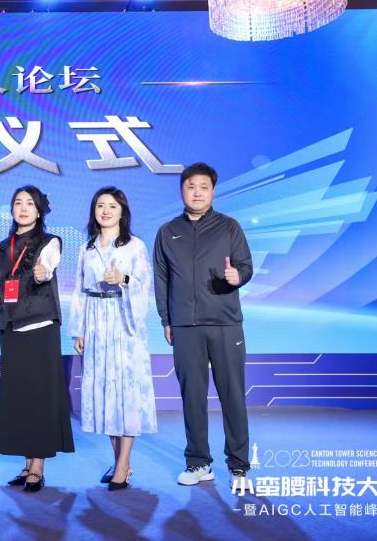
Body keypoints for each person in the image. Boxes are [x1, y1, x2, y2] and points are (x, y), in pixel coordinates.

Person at [153, 162, 254, 488]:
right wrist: (167, 319)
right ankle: (198, 463)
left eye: (204, 187)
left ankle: (239, 467)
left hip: (225, 323)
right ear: (181, 190)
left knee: (232, 396)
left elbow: (245, 266)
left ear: (213, 191)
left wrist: (237, 276)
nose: (197, 193)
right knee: (192, 397)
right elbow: (161, 280)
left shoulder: (229, 227)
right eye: (191, 186)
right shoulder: (167, 232)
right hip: (185, 326)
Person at [71, 186, 157, 491]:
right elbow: (79, 290)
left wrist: (124, 279)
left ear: (122, 212)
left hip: (124, 322)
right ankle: (119, 460)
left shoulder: (134, 246)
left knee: (125, 392)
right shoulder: (87, 248)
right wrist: (79, 329)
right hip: (96, 322)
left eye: (112, 206)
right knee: (106, 393)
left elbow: (145, 286)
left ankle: (123, 464)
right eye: (100, 206)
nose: (105, 211)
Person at [0, 185, 74, 492]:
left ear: (39, 211)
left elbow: (47, 267)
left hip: (40, 327)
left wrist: (43, 273)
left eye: (30, 203)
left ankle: (38, 466)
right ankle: (26, 464)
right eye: (18, 202)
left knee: (39, 396)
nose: (23, 208)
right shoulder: (5, 246)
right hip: (11, 328)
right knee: (19, 397)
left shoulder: (50, 241)